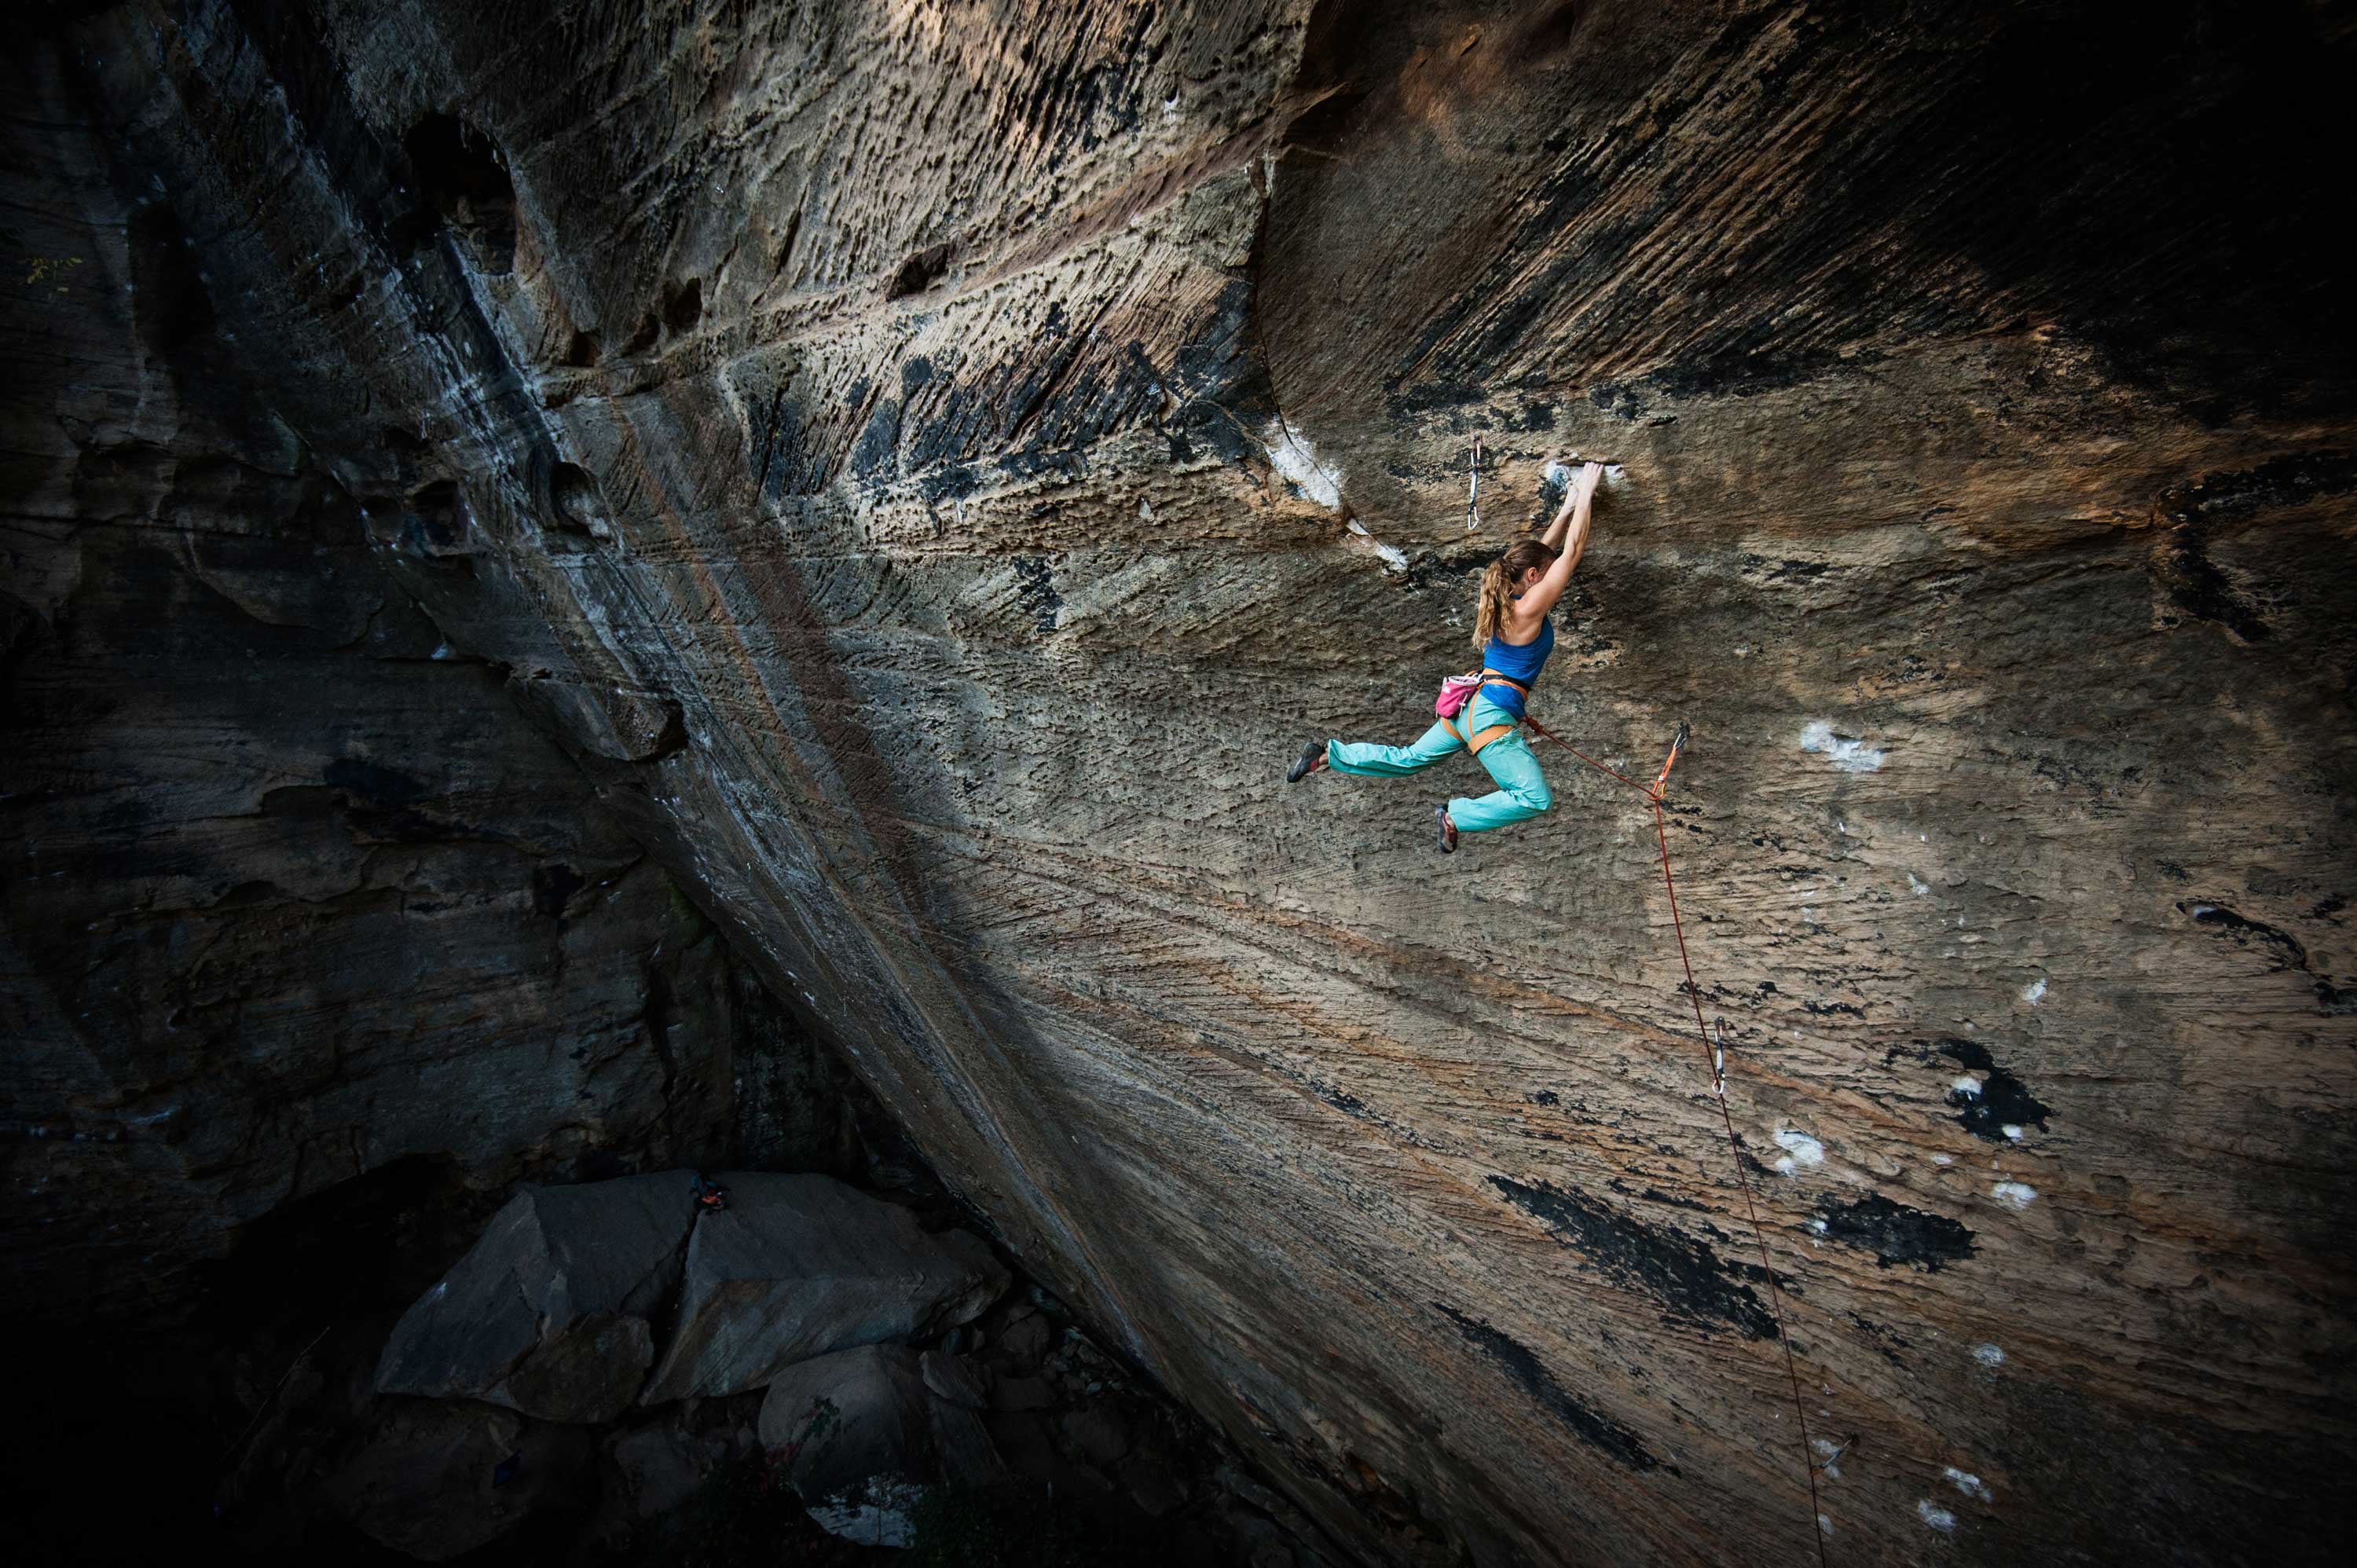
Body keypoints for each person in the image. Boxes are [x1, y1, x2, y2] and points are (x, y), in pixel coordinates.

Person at [1287, 460, 1604, 852]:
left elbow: (1544, 555)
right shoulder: (1525, 611)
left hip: (1467, 707)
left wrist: (1569, 505)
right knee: (1534, 798)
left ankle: (1328, 757)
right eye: (1545, 571)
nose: (1552, 572)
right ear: (1536, 578)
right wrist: (1587, 492)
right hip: (1489, 713)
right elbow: (1569, 553)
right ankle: (1457, 816)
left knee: (1409, 759)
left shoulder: (1502, 601)